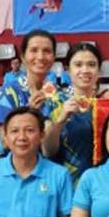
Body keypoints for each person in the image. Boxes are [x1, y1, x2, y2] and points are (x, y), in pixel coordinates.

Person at [44, 42, 101, 181]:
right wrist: (60, 120)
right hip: (64, 183)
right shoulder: (54, 102)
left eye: (92, 65)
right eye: (78, 65)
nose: (85, 70)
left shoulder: (105, 105)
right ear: (68, 70)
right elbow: (47, 151)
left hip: (100, 184)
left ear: (99, 71)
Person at [0, 30, 61, 124]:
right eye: (34, 50)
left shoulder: (59, 95)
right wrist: (29, 112)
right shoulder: (10, 92)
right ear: (23, 57)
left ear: (54, 57)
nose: (40, 57)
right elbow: (3, 136)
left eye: (47, 51)